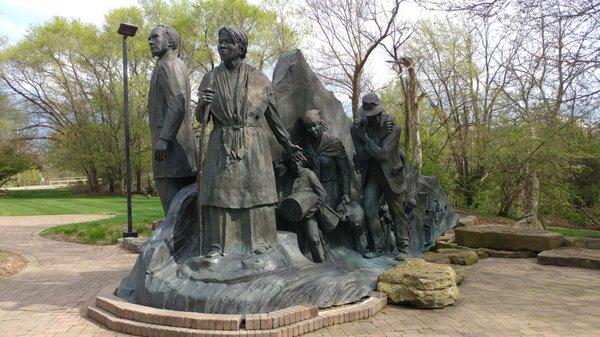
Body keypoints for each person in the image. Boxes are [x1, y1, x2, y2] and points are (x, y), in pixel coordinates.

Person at [196, 26, 302, 257]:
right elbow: (200, 118)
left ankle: (260, 242)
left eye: (227, 42)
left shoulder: (259, 79)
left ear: (240, 48)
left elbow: (272, 117)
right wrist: (202, 104)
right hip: (221, 141)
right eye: (219, 42)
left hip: (253, 142)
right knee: (219, 194)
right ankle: (217, 245)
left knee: (255, 193)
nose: (221, 46)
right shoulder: (210, 77)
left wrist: (287, 144)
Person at [351, 93, 409, 260]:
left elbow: (383, 154)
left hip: (392, 174)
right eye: (370, 116)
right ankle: (377, 247)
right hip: (372, 175)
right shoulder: (357, 128)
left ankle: (403, 248)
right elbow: (361, 155)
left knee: (397, 211)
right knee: (369, 210)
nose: (374, 119)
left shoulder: (394, 128)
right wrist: (367, 143)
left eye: (376, 115)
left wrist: (365, 139)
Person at [147, 25, 196, 213]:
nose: (150, 42)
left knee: (174, 211)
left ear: (169, 40)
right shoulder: (168, 64)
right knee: (181, 211)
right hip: (174, 150)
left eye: (155, 37)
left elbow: (177, 104)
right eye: (149, 39)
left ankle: (174, 242)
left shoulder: (170, 65)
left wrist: (164, 138)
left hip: (171, 150)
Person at [278, 155, 328, 262]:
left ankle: (321, 263)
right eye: (292, 162)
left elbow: (323, 194)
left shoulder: (309, 174)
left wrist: (315, 209)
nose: (296, 165)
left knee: (314, 239)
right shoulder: (284, 178)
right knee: (298, 244)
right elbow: (280, 200)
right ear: (287, 164)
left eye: (298, 161)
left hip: (309, 215)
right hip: (292, 218)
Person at [299, 109, 351, 209]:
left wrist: (346, 193)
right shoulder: (304, 146)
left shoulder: (333, 143)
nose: (313, 130)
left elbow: (344, 171)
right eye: (309, 127)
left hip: (333, 189)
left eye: (314, 125)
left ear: (321, 124)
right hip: (312, 190)